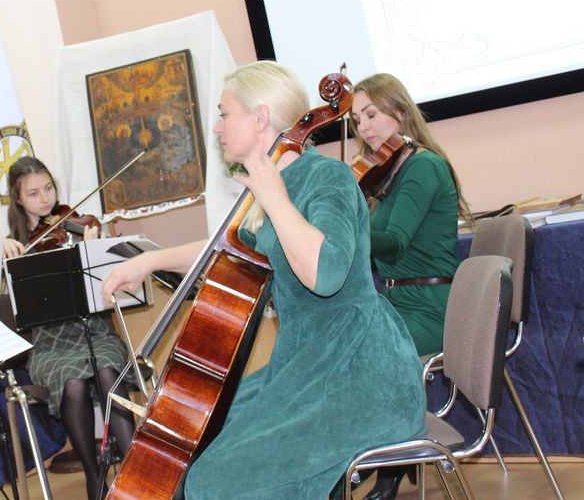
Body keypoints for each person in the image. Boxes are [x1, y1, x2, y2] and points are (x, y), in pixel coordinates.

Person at [102, 61, 426, 499]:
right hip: (304, 365)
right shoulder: (271, 187)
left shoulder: (325, 177)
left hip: (357, 374)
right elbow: (228, 250)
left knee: (214, 481)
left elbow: (326, 274)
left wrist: (274, 198)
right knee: (195, 443)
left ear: (259, 118)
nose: (217, 127)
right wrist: (149, 261)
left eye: (224, 113)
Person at [350, 72, 471, 500]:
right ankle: (372, 455)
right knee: (338, 345)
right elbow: (372, 255)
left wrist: (344, 227)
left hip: (429, 307)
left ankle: (386, 463)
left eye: (371, 114)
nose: (363, 127)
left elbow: (395, 242)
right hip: (398, 303)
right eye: (357, 120)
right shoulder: (386, 175)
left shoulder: (422, 166)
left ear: (400, 113)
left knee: (359, 354)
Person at [2, 156, 136, 500]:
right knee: (72, 381)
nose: (45, 199)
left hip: (95, 332)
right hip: (50, 345)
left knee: (108, 370)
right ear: (18, 199)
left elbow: (108, 290)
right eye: (33, 193)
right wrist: (2, 254)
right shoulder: (14, 245)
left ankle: (136, 469)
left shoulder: (77, 225)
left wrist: (93, 251)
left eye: (49, 188)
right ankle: (94, 476)